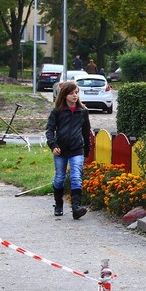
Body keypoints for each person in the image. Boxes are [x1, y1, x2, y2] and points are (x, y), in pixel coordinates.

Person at [45, 81, 92, 220]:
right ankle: (58, 204)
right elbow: (49, 130)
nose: (75, 96)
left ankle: (76, 207)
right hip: (60, 150)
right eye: (71, 93)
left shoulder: (83, 112)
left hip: (77, 149)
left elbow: (86, 132)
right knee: (60, 178)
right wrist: (53, 146)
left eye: (76, 93)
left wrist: (87, 151)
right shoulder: (57, 112)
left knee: (76, 176)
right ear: (65, 95)